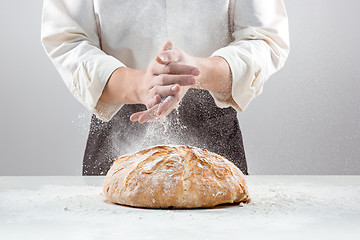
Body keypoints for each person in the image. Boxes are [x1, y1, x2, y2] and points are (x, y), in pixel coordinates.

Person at [41, 0, 289, 175]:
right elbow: (67, 39)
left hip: (212, 122)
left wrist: (194, 71)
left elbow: (264, 37)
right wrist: (140, 84)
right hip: (119, 116)